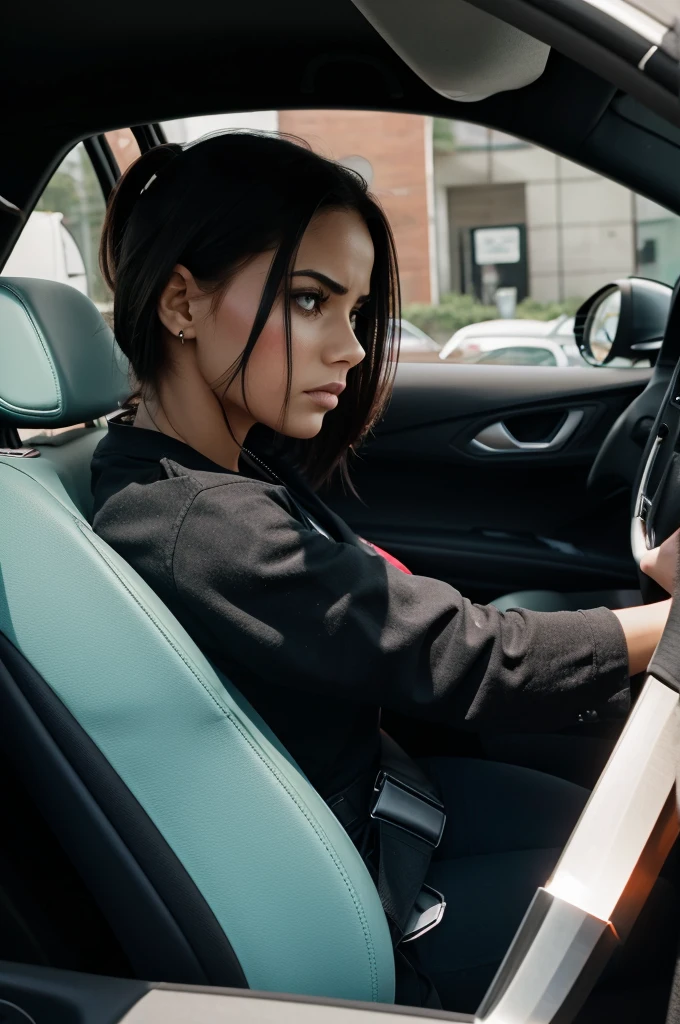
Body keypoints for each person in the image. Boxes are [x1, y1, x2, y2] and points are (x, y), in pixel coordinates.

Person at [90, 132, 678, 1014]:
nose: (353, 348)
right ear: (182, 302)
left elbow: (385, 615)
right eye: (310, 300)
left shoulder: (214, 477)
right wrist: (666, 625)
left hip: (386, 804)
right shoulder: (196, 524)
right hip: (353, 888)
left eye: (355, 310)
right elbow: (455, 655)